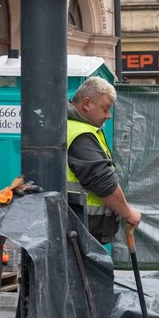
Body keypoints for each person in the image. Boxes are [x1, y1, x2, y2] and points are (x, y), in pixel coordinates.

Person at [66, 76, 141, 244]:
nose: (108, 116)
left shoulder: (74, 128)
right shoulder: (81, 134)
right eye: (105, 109)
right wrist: (128, 213)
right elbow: (102, 181)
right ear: (86, 104)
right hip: (81, 230)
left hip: (78, 229)